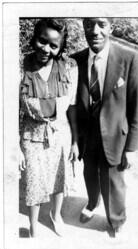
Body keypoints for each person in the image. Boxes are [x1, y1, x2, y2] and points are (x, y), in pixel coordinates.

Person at [72, 18, 138, 237]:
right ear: (83, 27)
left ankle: (116, 219)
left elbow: (137, 104)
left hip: (114, 133)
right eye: (90, 25)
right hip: (88, 132)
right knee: (89, 173)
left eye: (101, 24)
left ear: (111, 27)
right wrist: (73, 139)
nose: (95, 31)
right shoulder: (76, 60)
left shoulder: (129, 59)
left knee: (113, 180)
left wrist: (131, 148)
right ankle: (93, 203)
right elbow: (71, 102)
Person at [19, 18, 79, 237]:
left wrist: (74, 141)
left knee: (58, 178)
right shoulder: (21, 65)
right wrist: (15, 147)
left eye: (54, 45)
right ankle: (33, 228)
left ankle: (56, 216)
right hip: (31, 134)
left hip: (60, 133)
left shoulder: (70, 68)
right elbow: (10, 108)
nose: (46, 49)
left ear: (60, 47)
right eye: (42, 41)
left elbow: (71, 106)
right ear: (35, 38)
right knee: (34, 183)